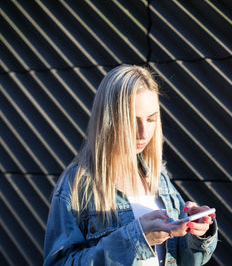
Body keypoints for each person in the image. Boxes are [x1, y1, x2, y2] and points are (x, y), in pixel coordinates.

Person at [43, 64, 218, 266]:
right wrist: (136, 239)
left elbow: (184, 259)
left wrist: (198, 233)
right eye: (132, 121)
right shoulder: (77, 185)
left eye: (151, 119)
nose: (143, 133)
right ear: (108, 119)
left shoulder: (157, 177)